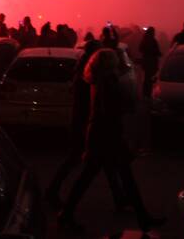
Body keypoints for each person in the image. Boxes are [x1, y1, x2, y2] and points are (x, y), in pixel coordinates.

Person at [58, 49, 163, 234]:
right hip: (107, 137)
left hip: (101, 136)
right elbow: (110, 112)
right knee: (116, 177)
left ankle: (143, 218)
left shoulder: (98, 80)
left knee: (95, 178)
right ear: (109, 64)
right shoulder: (108, 82)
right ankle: (143, 218)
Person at [46, 39, 103, 208]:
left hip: (82, 123)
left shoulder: (83, 74)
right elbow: (87, 106)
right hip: (83, 124)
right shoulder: (86, 78)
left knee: (109, 166)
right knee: (77, 160)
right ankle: (54, 194)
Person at [138, 27, 162, 98]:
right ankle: (148, 94)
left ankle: (145, 93)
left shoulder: (144, 40)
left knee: (147, 78)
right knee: (150, 78)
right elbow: (157, 51)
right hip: (151, 62)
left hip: (146, 62)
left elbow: (140, 49)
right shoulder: (153, 41)